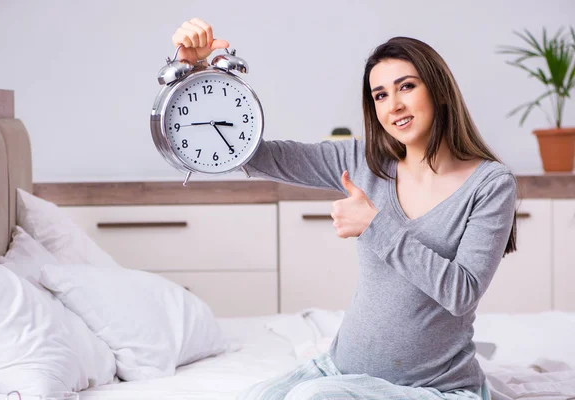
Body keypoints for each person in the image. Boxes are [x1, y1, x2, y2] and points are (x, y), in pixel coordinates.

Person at [172, 18, 518, 400]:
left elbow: (462, 293)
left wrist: (375, 225)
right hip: (339, 368)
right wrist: (200, 78)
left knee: (313, 398)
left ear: (438, 90)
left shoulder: (491, 183)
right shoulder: (365, 161)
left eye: (406, 86)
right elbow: (255, 153)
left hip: (436, 389)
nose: (394, 105)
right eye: (380, 95)